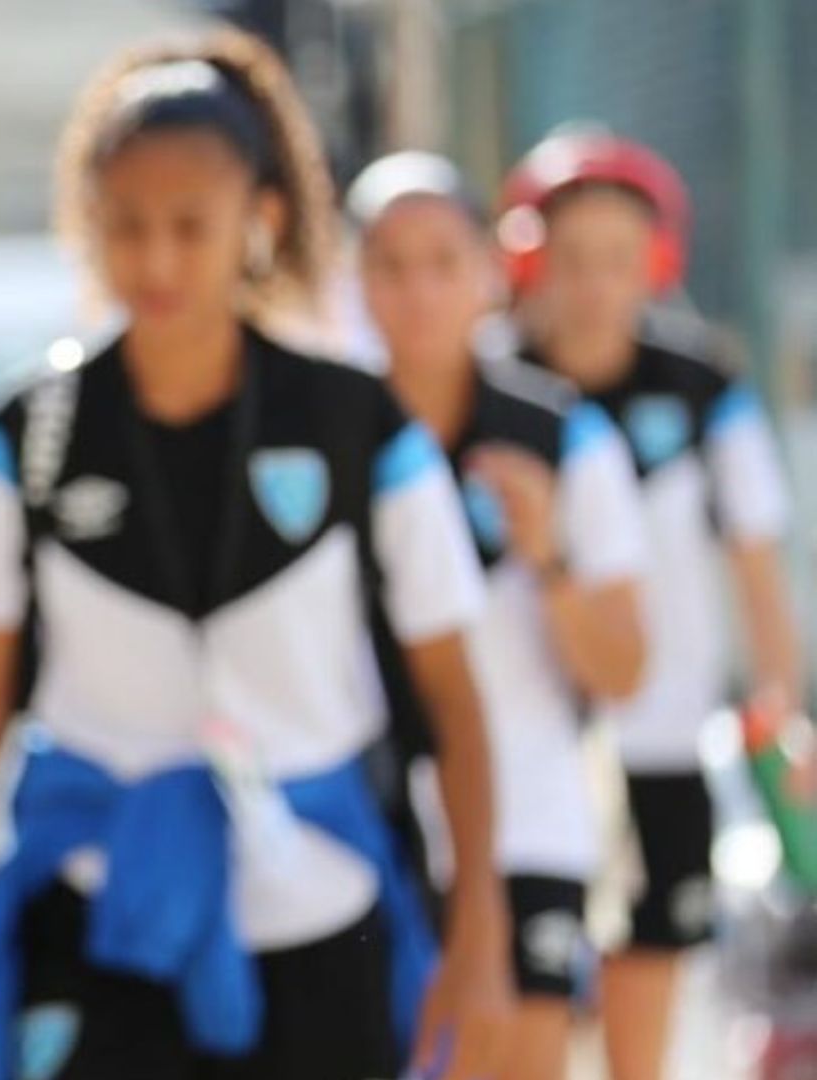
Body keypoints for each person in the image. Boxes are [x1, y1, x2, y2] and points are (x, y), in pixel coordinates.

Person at [0, 30, 512, 1080]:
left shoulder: (360, 424)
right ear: (88, 226)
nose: (159, 258)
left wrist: (479, 940)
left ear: (260, 221)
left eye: (192, 224)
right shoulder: (22, 432)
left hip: (321, 913)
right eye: (126, 225)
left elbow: (454, 694)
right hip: (96, 911)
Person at [499, 129, 802, 1080]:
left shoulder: (705, 389)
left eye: (619, 259)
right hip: (526, 756)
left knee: (644, 1005)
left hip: (664, 735)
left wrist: (780, 703)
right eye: (572, 256)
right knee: (525, 1016)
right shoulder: (492, 385)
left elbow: (758, 566)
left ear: (656, 263)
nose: (595, 283)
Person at [350, 152, 648, 1080]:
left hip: (530, 827)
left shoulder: (562, 439)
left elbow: (624, 669)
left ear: (489, 267)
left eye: (444, 261)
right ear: (353, 279)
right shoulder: (323, 433)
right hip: (364, 827)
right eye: (390, 266)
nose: (419, 293)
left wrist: (548, 555)